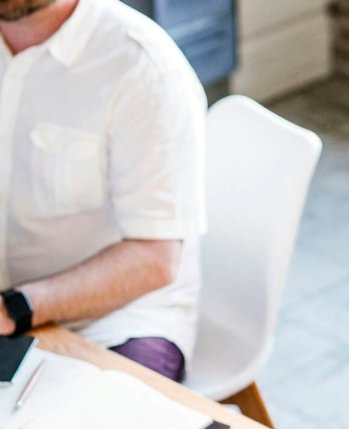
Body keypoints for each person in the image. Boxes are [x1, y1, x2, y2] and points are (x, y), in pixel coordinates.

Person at [0, 0, 205, 380]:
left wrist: (14, 309)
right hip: (8, 307)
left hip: (116, 320)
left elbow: (154, 259)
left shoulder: (143, 67)